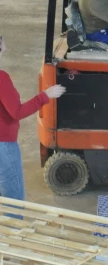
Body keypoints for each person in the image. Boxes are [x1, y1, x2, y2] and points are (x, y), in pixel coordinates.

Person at [0, 35, 65, 199]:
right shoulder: (1, 78)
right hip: (4, 145)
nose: (6, 46)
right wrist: (45, 95)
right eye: (2, 41)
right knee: (14, 197)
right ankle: (14, 225)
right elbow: (17, 112)